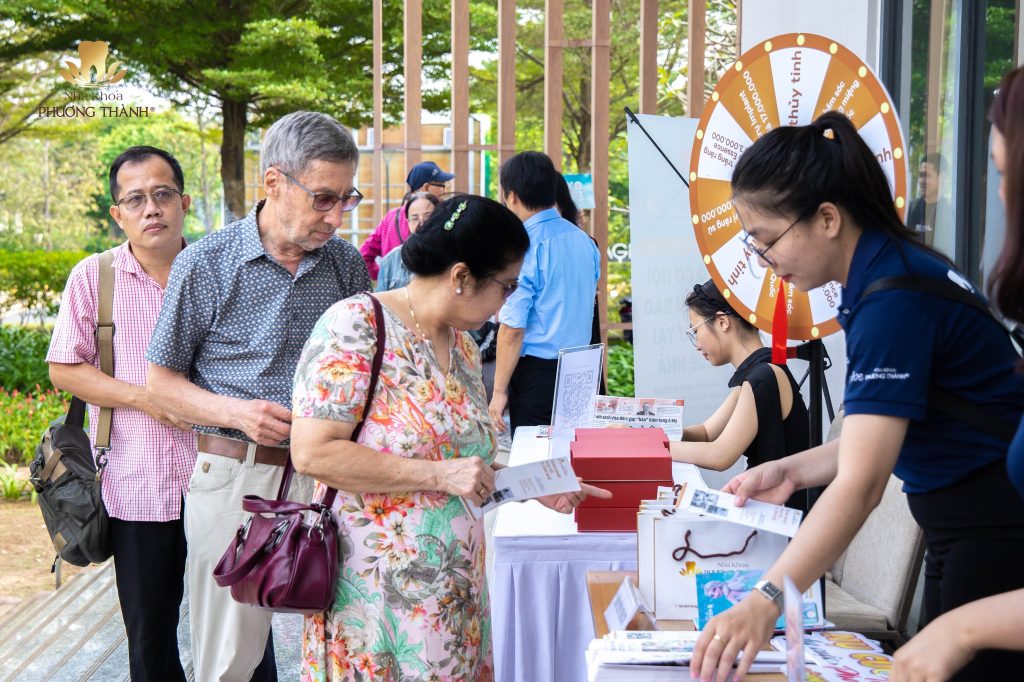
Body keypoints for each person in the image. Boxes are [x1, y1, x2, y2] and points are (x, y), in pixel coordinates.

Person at [689, 110, 1024, 682]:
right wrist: (794, 469)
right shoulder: (888, 275)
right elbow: (876, 435)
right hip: (963, 524)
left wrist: (769, 596)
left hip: (993, 530)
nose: (765, 261)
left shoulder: (892, 300)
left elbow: (864, 483)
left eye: (767, 241)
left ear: (825, 219)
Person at [290, 194, 612, 680]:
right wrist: (439, 474)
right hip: (378, 598)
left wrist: (532, 486)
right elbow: (312, 452)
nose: (508, 303)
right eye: (506, 287)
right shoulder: (356, 325)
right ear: (462, 277)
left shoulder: (462, 342)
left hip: (454, 599)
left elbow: (465, 466)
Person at [145, 111, 372, 682]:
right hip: (237, 478)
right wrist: (235, 413)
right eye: (323, 197)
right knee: (228, 659)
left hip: (332, 475)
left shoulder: (345, 263)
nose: (336, 215)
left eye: (347, 198)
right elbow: (160, 381)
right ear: (273, 183)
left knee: (349, 633)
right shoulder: (206, 262)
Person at [890, 65, 1024, 682]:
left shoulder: (898, 294)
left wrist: (965, 627)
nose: (1000, 198)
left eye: (1005, 176)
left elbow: (865, 472)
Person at [46, 146, 195, 681]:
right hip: (136, 483)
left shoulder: (213, 272)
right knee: (151, 643)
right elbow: (65, 369)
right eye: (135, 199)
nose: (150, 208)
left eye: (162, 194)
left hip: (220, 478)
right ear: (118, 214)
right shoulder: (95, 277)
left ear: (184, 201)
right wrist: (147, 398)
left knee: (243, 636)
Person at [488, 152, 600, 434]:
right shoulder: (584, 241)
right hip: (582, 372)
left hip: (537, 376)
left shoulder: (525, 247)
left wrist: (499, 391)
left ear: (511, 196)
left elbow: (512, 328)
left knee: (536, 467)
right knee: (574, 459)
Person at [673, 281, 809, 488]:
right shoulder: (758, 373)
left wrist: (651, 447)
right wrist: (648, 432)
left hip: (779, 512)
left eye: (696, 331)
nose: (697, 345)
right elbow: (707, 433)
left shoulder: (764, 376)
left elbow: (720, 455)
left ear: (722, 322)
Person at [360, 160, 454, 279]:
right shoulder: (437, 218)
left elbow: (363, 256)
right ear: (426, 187)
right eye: (442, 185)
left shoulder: (390, 217)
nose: (445, 191)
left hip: (394, 295)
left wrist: (385, 277)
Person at [375, 191, 438, 291]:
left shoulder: (452, 257)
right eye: (415, 218)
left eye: (428, 216)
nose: (421, 223)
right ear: (408, 222)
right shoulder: (391, 260)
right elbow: (381, 303)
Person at [905, 152, 949, 245]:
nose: (922, 181)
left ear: (942, 178)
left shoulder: (949, 213)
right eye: (921, 175)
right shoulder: (910, 209)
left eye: (927, 176)